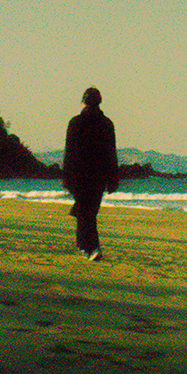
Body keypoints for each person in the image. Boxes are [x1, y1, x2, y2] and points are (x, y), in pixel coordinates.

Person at [63, 87, 119, 261]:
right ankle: (90, 247)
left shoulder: (75, 122)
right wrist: (113, 178)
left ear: (84, 102)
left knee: (84, 210)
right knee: (89, 211)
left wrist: (66, 176)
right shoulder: (107, 123)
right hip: (98, 175)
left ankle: (87, 247)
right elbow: (111, 153)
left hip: (80, 173)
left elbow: (69, 152)